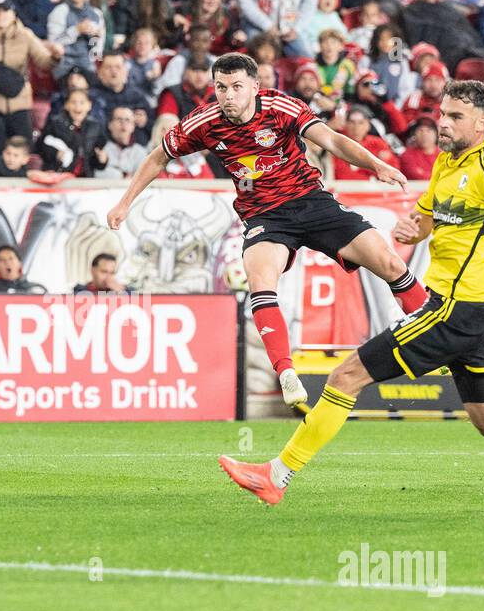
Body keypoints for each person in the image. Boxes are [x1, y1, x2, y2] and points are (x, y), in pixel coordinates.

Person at [219, 79, 484, 511]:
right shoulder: (447, 163)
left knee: (345, 377)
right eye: (441, 114)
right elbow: (431, 216)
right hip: (468, 311)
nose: (443, 124)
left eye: (455, 117)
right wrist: (413, 228)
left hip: (455, 311)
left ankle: (276, 476)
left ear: (482, 123)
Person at [106, 53, 427, 409]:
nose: (228, 95)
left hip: (312, 202)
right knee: (260, 281)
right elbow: (158, 157)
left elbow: (332, 141)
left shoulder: (279, 106)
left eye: (237, 87)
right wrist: (125, 203)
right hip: (264, 215)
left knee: (390, 264)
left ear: (255, 87)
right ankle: (287, 372)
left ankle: (437, 337)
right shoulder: (205, 121)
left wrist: (376, 164)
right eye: (221, 87)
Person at [0, 0, 62, 160]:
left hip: (19, 101)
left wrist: (55, 56)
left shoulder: (25, 35)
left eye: (5, 11)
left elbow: (44, 62)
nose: (1, 15)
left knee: (25, 151)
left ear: (13, 14)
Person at [92, 105, 150, 178]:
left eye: (127, 120)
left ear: (133, 126)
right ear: (110, 125)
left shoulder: (140, 152)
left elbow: (143, 179)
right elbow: (97, 174)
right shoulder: (101, 148)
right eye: (119, 119)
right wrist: (122, 175)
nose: (123, 123)